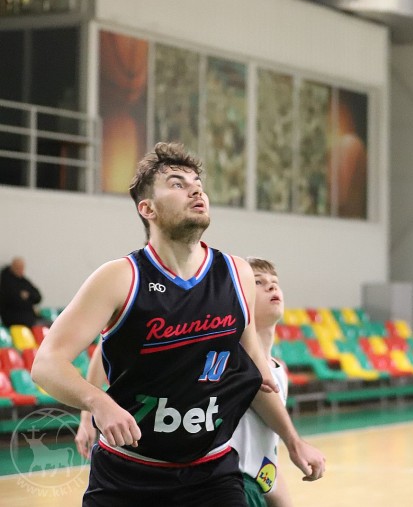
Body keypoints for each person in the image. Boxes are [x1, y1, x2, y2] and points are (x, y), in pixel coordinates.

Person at [31, 142, 324, 505]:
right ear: (147, 209)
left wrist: (294, 441)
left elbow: (255, 374)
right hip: (128, 473)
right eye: (177, 184)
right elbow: (46, 364)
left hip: (211, 472)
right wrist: (97, 403)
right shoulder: (120, 277)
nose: (196, 191)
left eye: (198, 184)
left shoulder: (237, 274)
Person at [76, 256, 297, 507]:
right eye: (258, 282)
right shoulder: (228, 358)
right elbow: (103, 348)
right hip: (217, 477)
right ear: (240, 297)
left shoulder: (277, 369)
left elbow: (269, 453)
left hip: (246, 483)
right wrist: (89, 412)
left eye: (274, 281)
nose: (271, 286)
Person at [0, 256, 42, 328]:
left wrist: (28, 296)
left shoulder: (24, 281)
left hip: (28, 316)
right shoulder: (5, 282)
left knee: (49, 324)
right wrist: (30, 304)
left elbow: (38, 296)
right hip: (14, 318)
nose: (21, 270)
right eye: (18, 268)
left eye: (22, 268)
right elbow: (14, 300)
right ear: (12, 267)